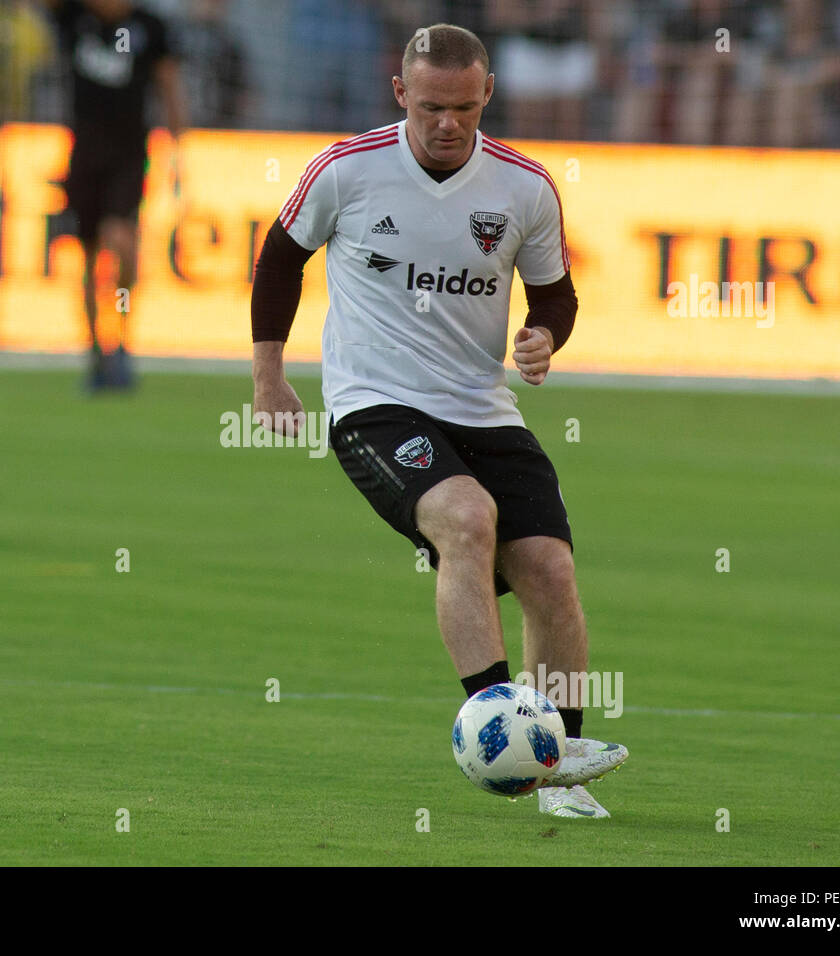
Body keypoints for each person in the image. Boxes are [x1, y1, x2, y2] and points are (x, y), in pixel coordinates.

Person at [250, 23, 627, 818]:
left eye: (462, 107)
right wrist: (269, 377)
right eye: (430, 108)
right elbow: (280, 256)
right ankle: (497, 721)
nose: (447, 123)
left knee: (551, 574)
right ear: (401, 95)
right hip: (373, 405)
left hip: (483, 408)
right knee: (465, 516)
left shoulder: (523, 187)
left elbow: (555, 291)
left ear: (487, 93)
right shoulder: (345, 170)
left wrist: (542, 335)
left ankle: (555, 764)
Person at [53, 0, 187, 390]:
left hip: (129, 156)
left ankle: (123, 341)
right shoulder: (72, 18)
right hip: (82, 155)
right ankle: (96, 351)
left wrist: (180, 152)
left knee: (122, 243)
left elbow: (169, 85)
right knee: (88, 255)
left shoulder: (149, 27)